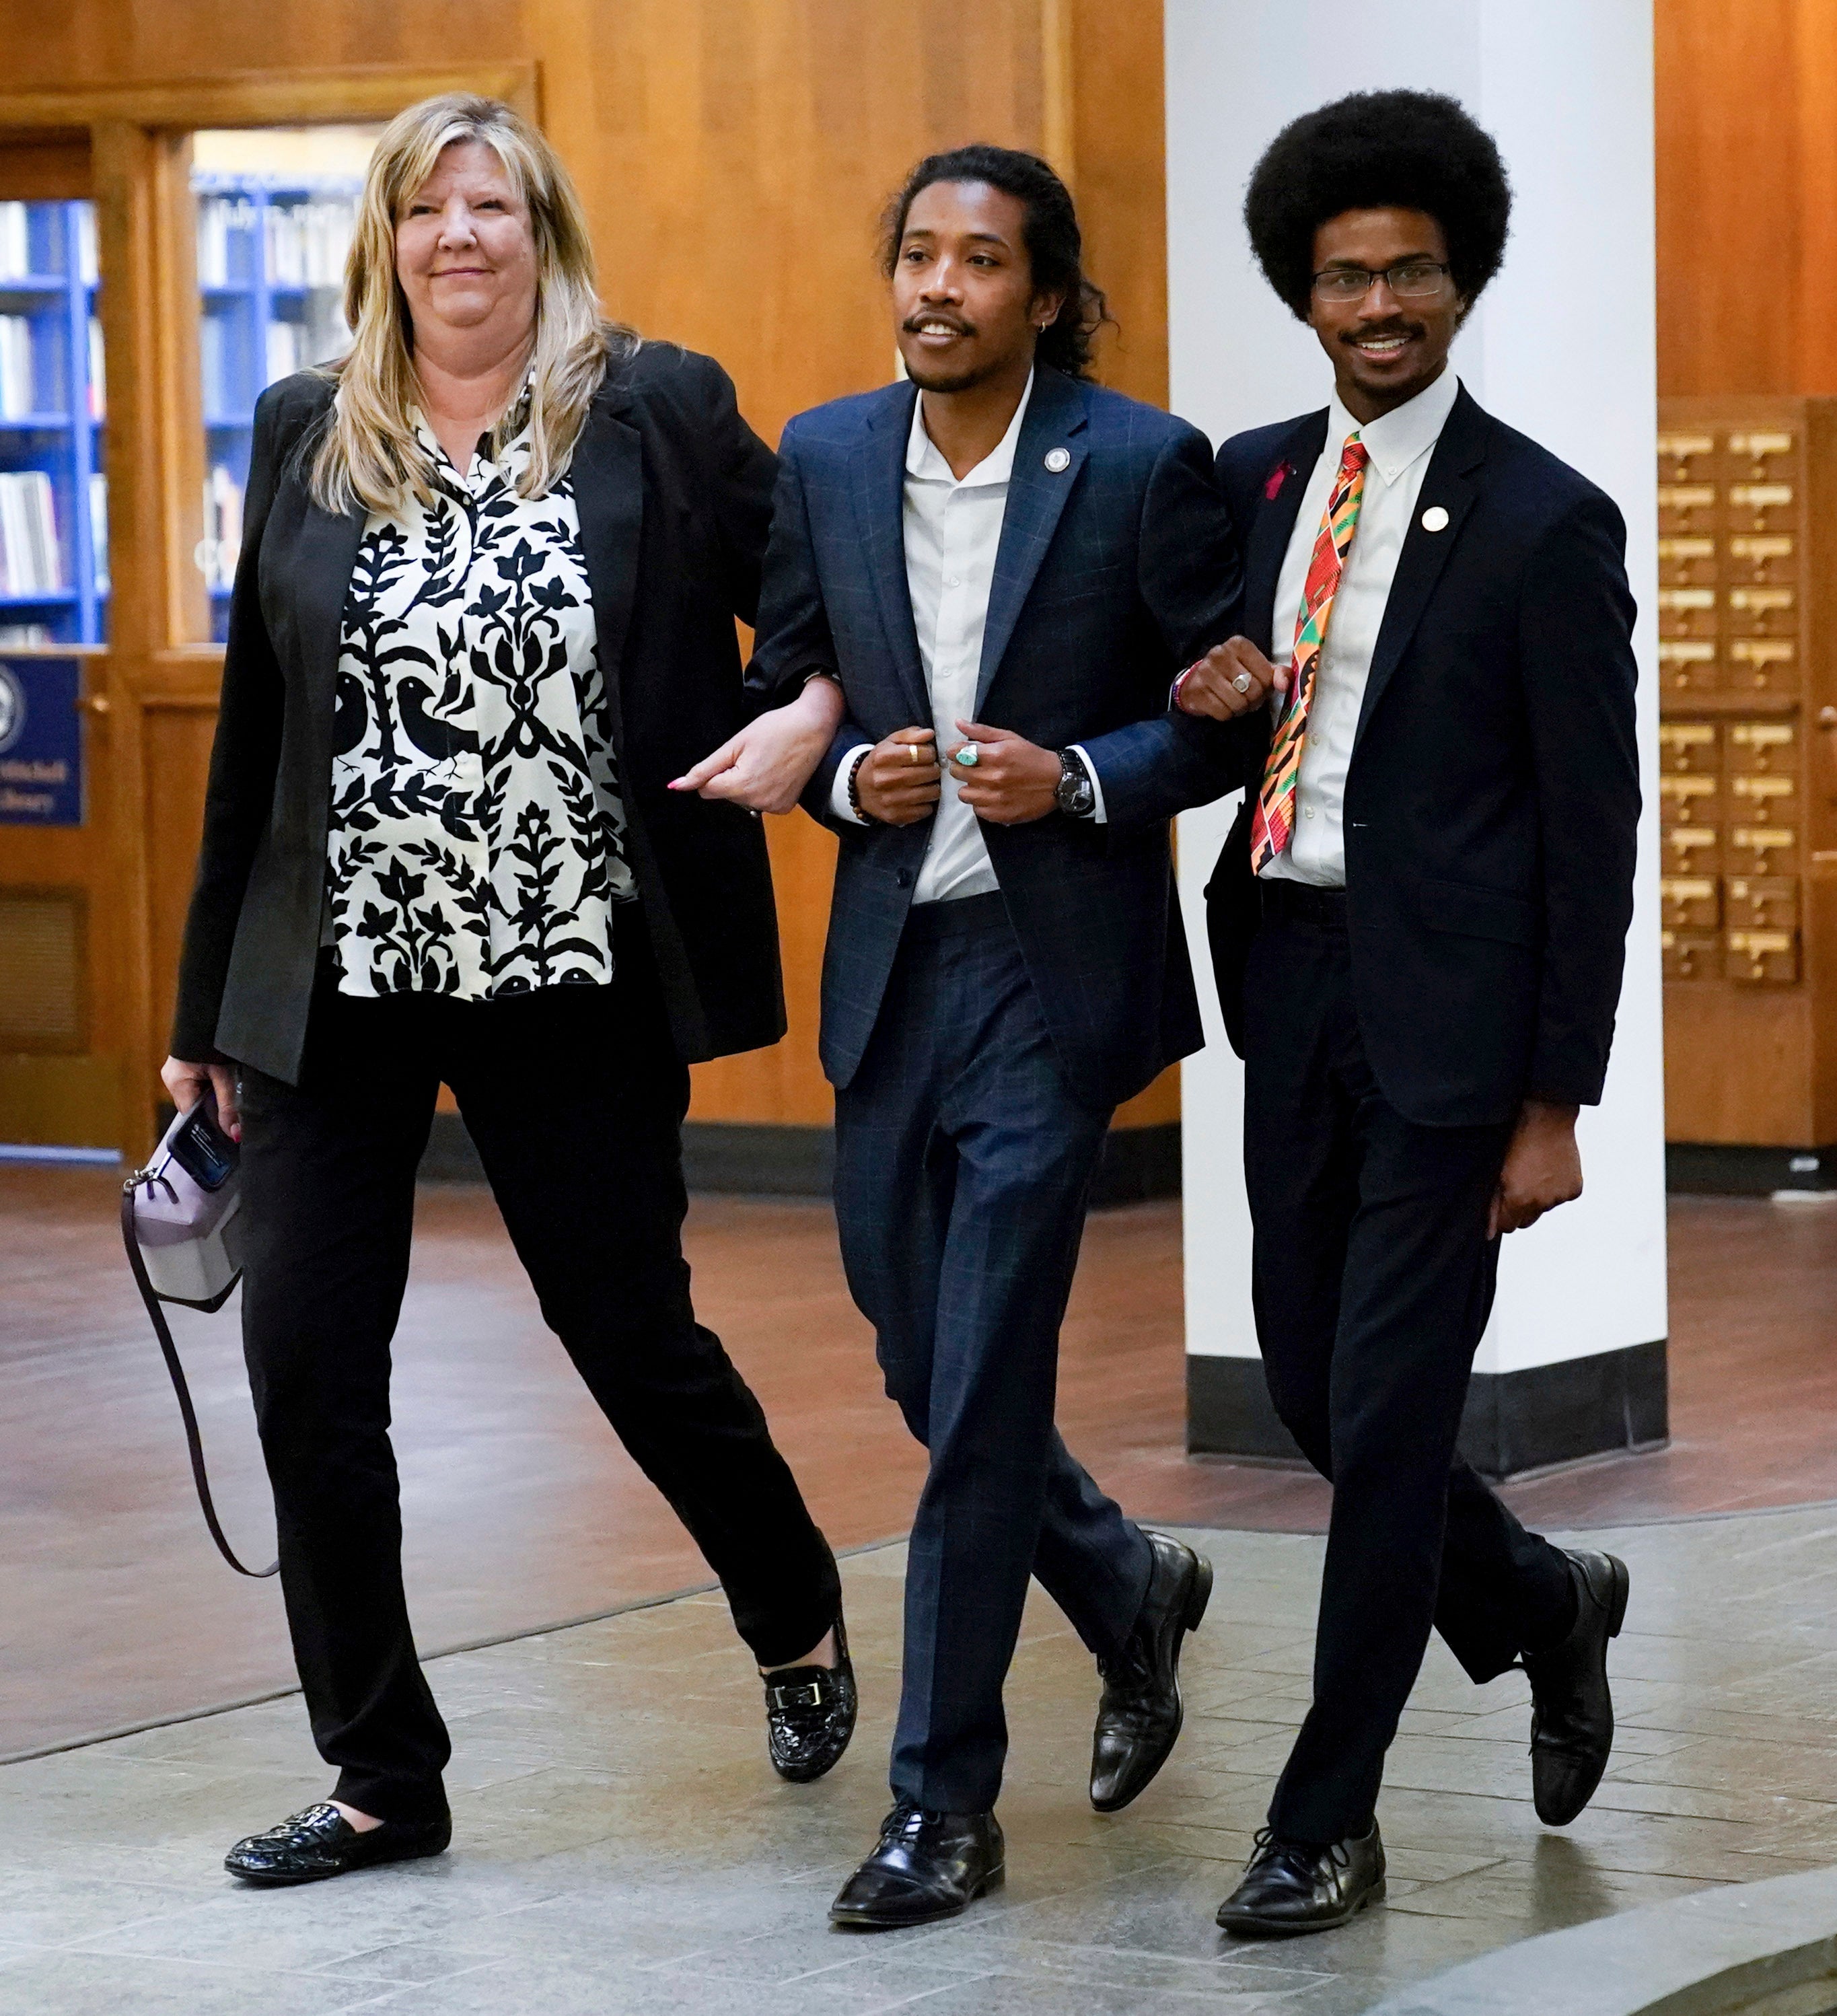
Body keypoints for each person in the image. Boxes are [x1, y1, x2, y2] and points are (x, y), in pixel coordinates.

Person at [163, 92, 859, 1888]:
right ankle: (383, 1772)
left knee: (629, 1336)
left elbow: (818, 575)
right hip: (340, 977)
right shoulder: (310, 425)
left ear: (539, 229)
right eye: (426, 207)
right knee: (307, 1360)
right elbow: (258, 734)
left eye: (493, 204)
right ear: (382, 239)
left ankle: (788, 1603)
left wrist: (803, 704)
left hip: (570, 961)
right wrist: (201, 1005)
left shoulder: (653, 407)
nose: (461, 236)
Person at [686, 144, 1264, 1929]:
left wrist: (1085, 774)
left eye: (979, 261)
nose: (937, 286)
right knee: (909, 1339)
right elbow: (792, 682)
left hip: (1050, 970)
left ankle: (941, 1802)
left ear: (1041, 291)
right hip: (894, 963)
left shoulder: (1142, 462)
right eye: (917, 254)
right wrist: (850, 773)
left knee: (987, 1368)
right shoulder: (833, 454)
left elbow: (1226, 710)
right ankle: (1121, 1582)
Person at [1178, 91, 1641, 1937]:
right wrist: (1211, 694)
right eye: (1344, 277)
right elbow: (1221, 719)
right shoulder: (1251, 479)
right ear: (1302, 293)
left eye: (1410, 273)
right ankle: (1538, 1599)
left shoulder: (1544, 518)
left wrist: (1556, 1098)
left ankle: (1324, 1814)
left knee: (1382, 1414)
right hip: (1285, 982)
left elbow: (1589, 828)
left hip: (1452, 1034)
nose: (1378, 305)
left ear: (1461, 279)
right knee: (1310, 1380)